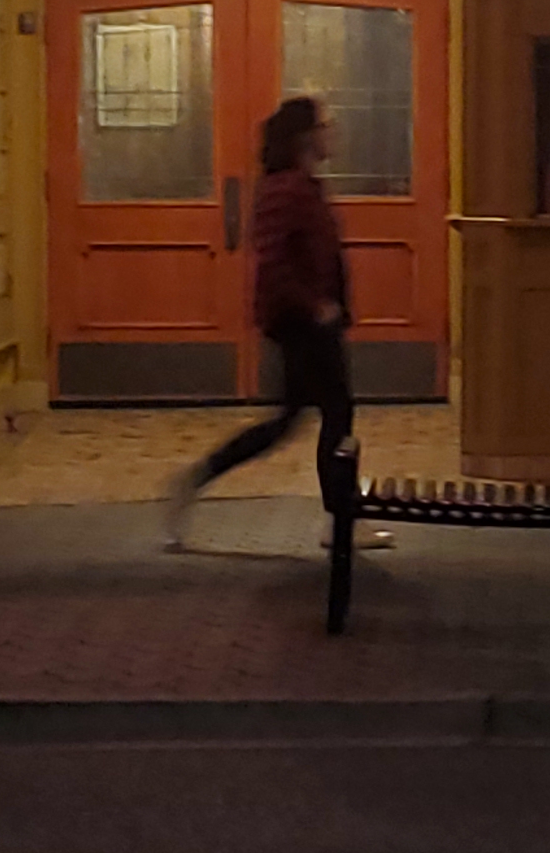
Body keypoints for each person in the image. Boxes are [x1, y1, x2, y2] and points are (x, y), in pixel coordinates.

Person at [161, 96, 384, 552]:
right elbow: (273, 262)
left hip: (310, 319)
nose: (332, 133)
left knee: (292, 419)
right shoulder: (286, 190)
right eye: (326, 125)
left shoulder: (304, 185)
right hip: (300, 321)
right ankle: (341, 522)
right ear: (305, 135)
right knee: (336, 412)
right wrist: (315, 307)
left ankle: (196, 480)